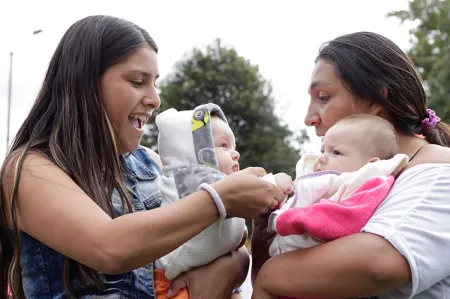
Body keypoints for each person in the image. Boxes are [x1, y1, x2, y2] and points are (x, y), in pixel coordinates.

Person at [0, 15, 286, 299]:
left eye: (155, 84)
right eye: (138, 81)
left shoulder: (150, 162)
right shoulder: (28, 169)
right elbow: (109, 247)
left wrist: (246, 248)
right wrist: (220, 198)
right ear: (85, 83)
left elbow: (205, 249)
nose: (155, 99)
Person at [251, 31, 450, 299]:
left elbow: (376, 266)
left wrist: (270, 275)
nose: (309, 118)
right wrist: (264, 230)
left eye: (323, 97)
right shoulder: (349, 181)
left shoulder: (439, 172)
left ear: (375, 101)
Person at [153, 104, 293, 299]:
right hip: (169, 288)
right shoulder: (187, 177)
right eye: (223, 146)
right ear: (197, 151)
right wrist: (274, 182)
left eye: (234, 146)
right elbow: (245, 189)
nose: (235, 153)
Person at [268, 115, 409, 260]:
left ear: (369, 165)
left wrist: (290, 219)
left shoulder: (369, 186)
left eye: (336, 152)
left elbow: (348, 218)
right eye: (323, 151)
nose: (321, 158)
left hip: (317, 262)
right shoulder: (325, 181)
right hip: (287, 254)